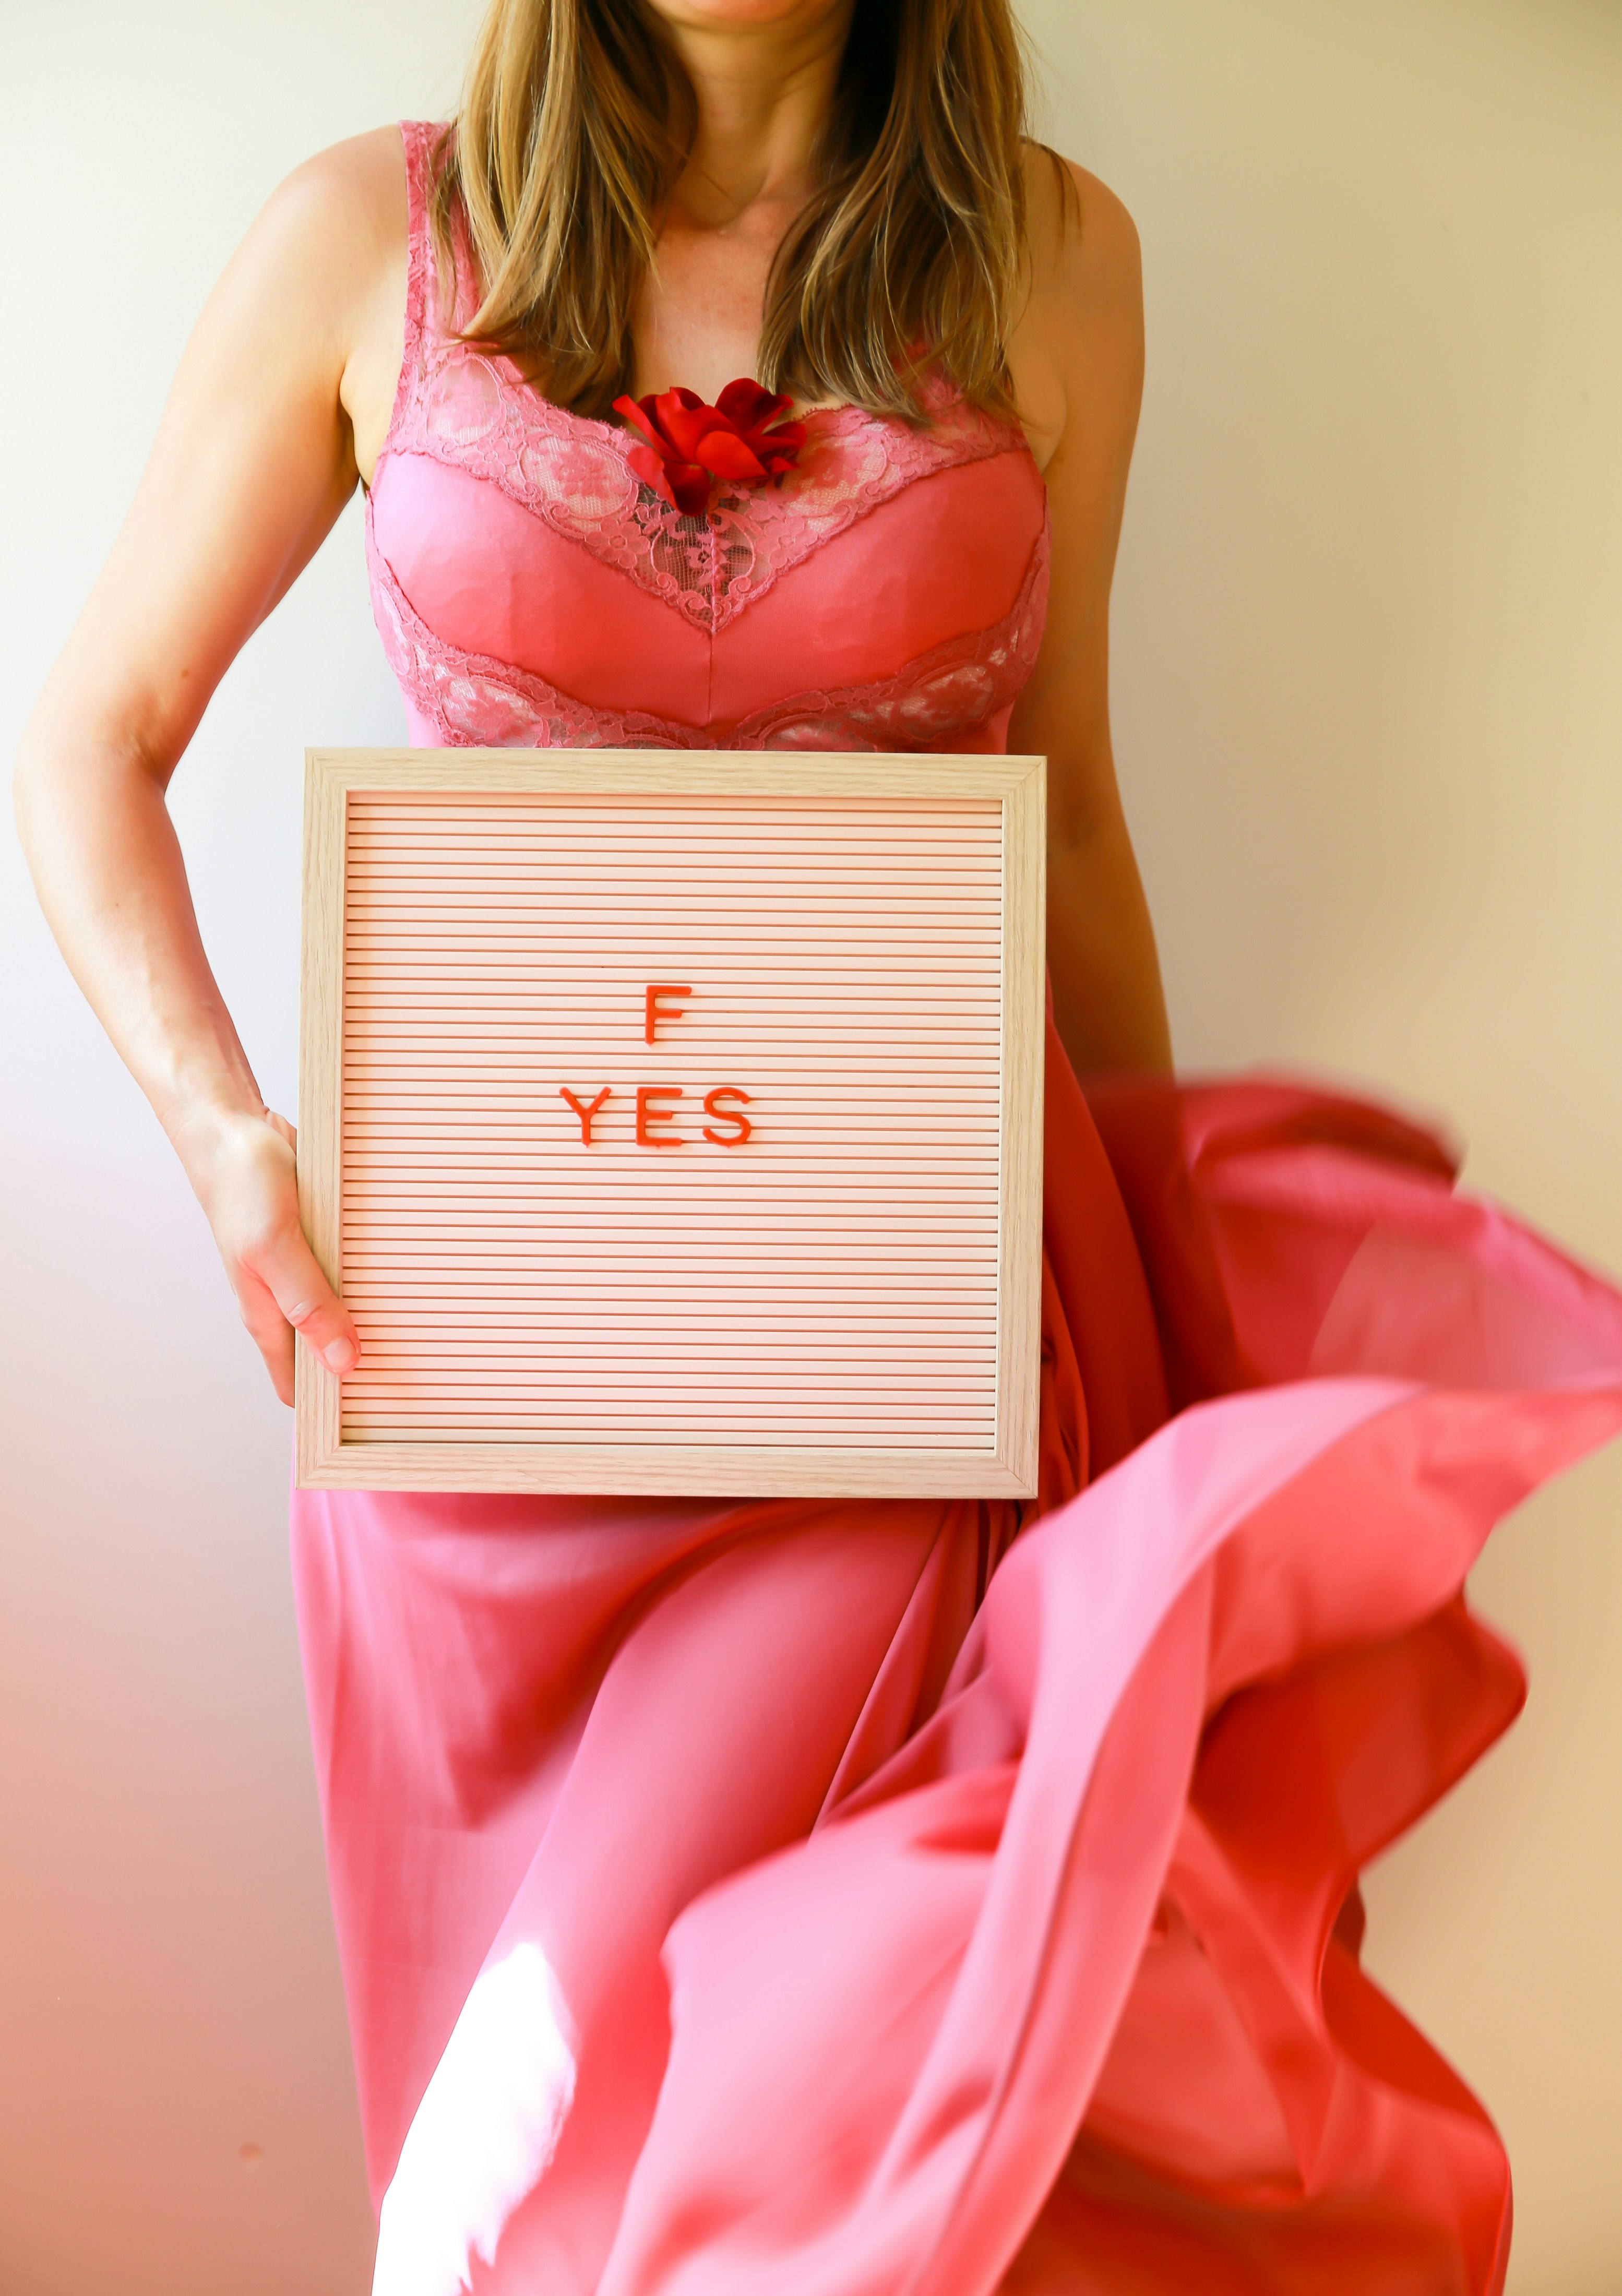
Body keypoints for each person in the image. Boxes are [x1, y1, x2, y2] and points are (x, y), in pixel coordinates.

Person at [14, 1, 1622, 2289]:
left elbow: (1062, 814)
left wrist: (1163, 1337)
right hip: (475, 1393)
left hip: (910, 1341)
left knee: (531, 2151)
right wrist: (223, 1133)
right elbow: (92, 731)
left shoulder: (1057, 263)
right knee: (620, 2181)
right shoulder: (356, 239)